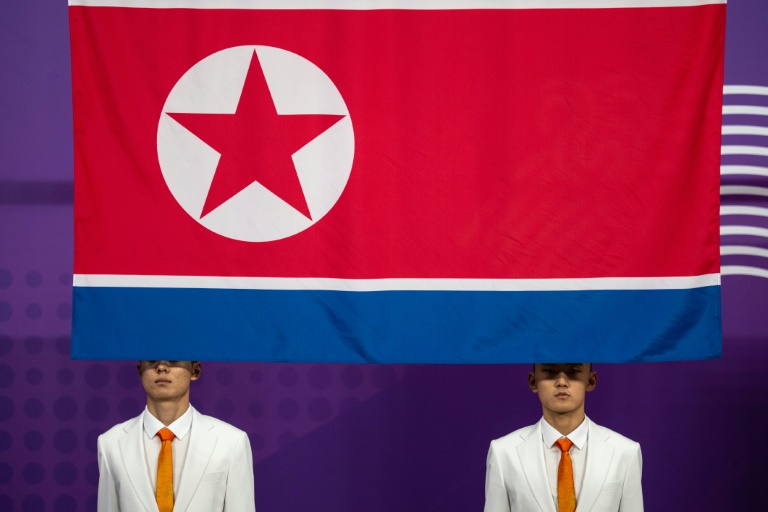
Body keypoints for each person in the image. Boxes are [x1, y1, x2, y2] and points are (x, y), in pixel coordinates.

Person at [97, 360, 256, 511]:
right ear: (140, 371)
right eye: (152, 359)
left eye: (174, 358)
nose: (161, 367)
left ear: (196, 370)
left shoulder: (231, 442)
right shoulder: (110, 443)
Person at [484, 363, 643, 512]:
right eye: (549, 371)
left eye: (573, 371)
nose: (561, 382)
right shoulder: (504, 453)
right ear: (533, 381)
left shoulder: (625, 452)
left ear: (591, 381)